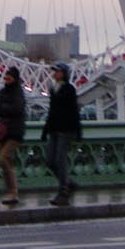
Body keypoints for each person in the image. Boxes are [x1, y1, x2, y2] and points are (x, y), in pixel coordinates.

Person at [40, 62, 81, 206]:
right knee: (49, 160)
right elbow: (51, 111)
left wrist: (78, 131)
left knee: (60, 160)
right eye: (54, 71)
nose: (54, 73)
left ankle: (63, 191)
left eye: (57, 71)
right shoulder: (53, 89)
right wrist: (45, 131)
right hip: (54, 129)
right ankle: (68, 183)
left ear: (64, 73)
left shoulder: (69, 89)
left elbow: (74, 111)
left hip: (66, 130)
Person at [0, 65, 27, 206]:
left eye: (9, 77)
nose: (6, 79)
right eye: (5, 77)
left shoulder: (18, 93)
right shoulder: (2, 92)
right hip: (5, 131)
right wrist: (6, 109)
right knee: (7, 162)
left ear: (15, 78)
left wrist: (4, 108)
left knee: (3, 159)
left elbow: (17, 109)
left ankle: (13, 191)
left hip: (15, 132)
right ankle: (11, 192)